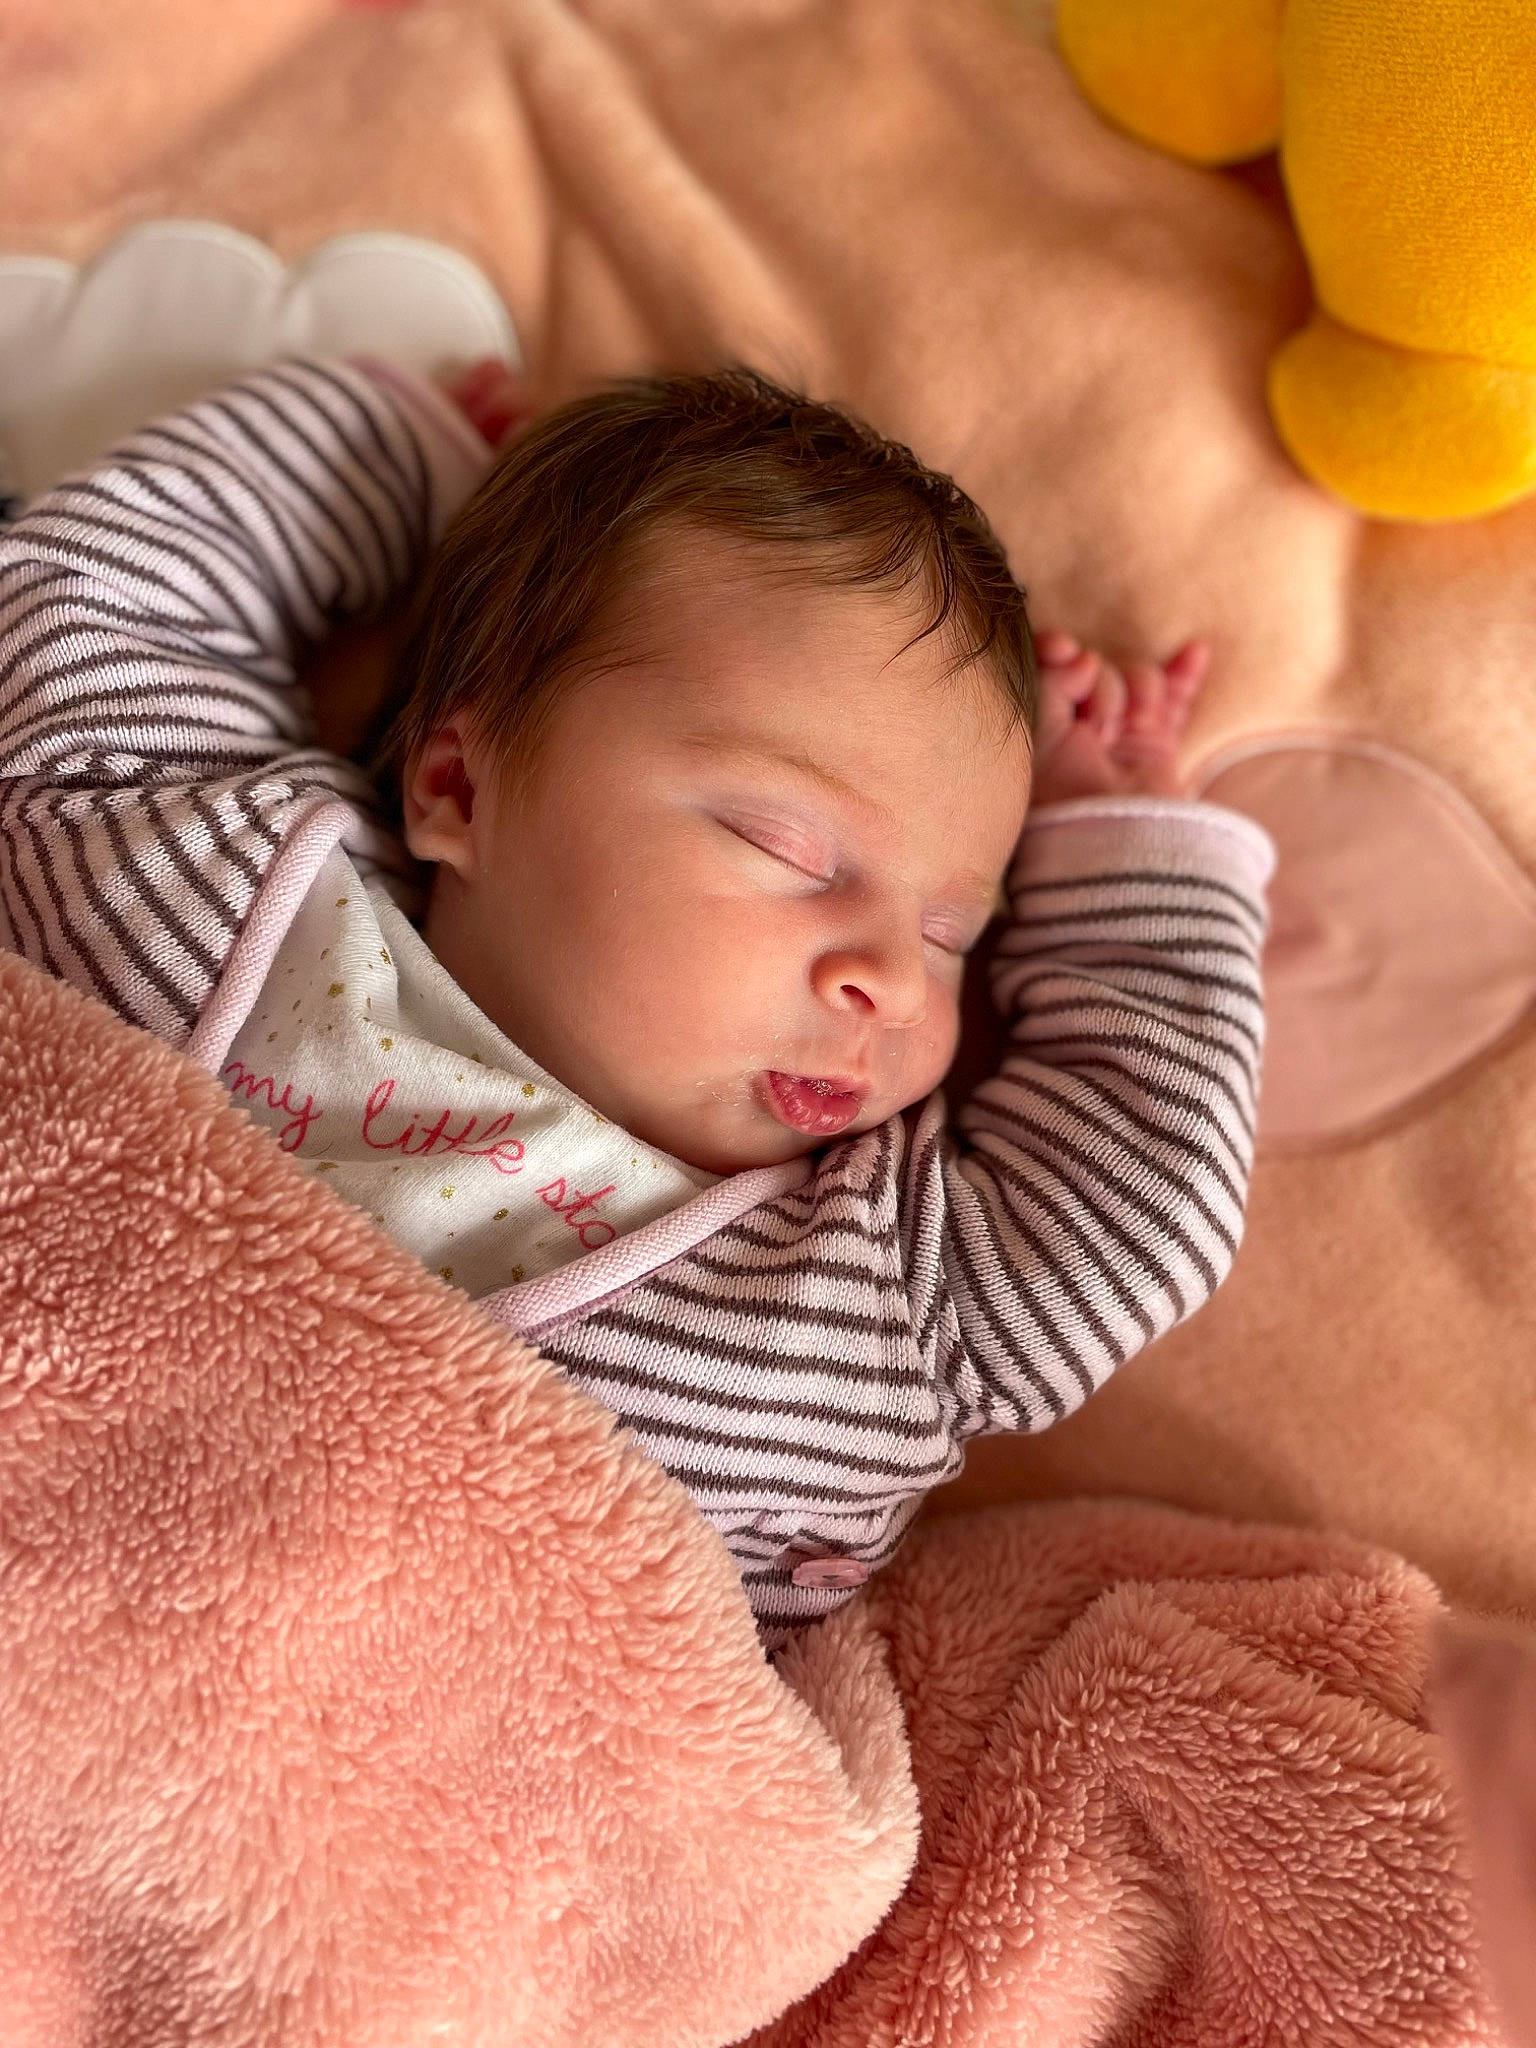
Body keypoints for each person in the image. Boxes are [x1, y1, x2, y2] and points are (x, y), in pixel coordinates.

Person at [0, 356, 1271, 1642]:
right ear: (461, 787)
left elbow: (1141, 1195)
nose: (887, 978)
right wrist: (405, 453)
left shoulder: (874, 1292)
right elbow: (83, 595)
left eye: (952, 933)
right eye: (786, 847)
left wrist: (1121, 850)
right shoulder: (194, 883)